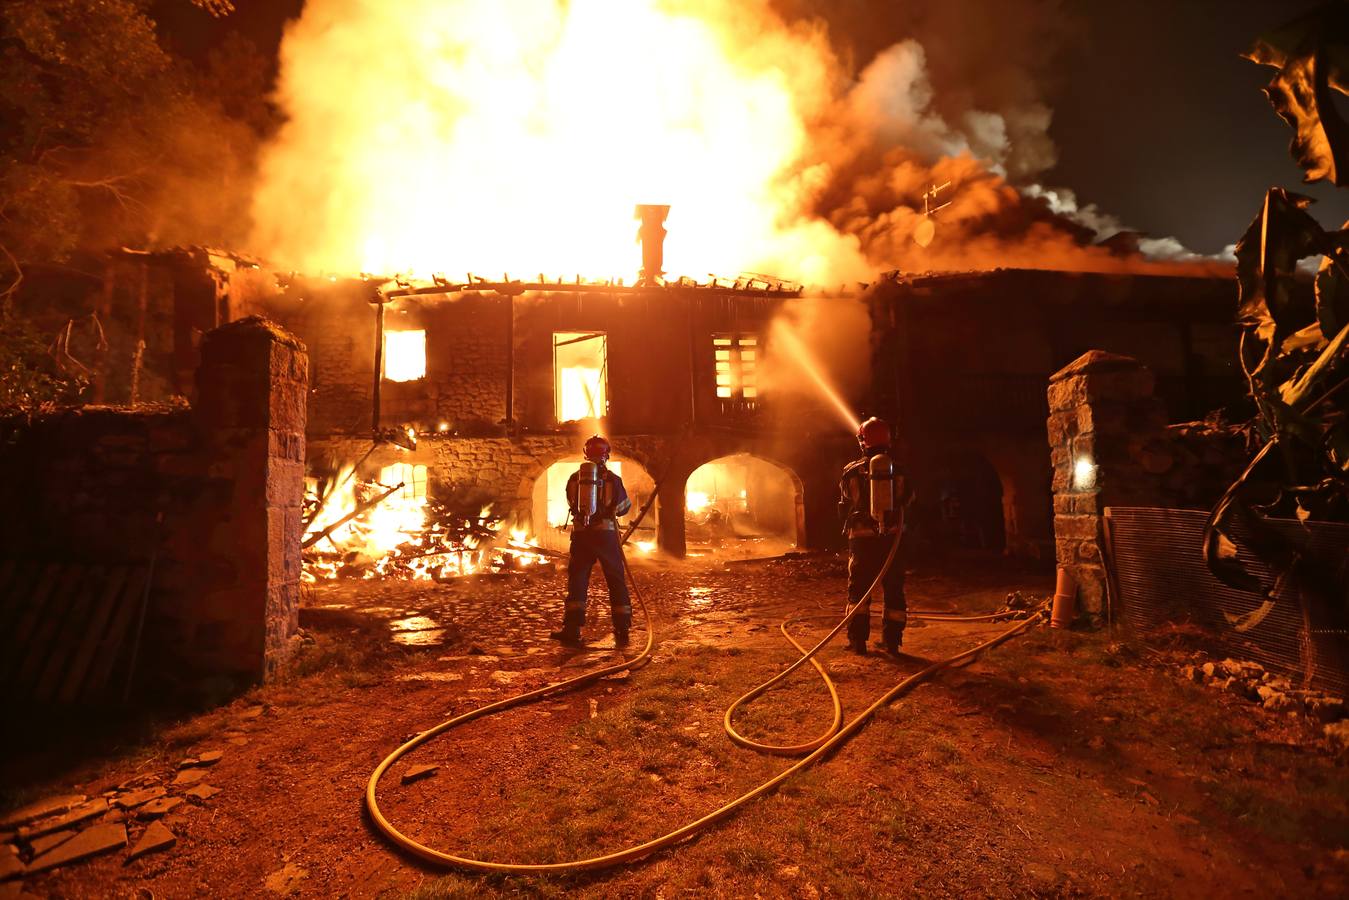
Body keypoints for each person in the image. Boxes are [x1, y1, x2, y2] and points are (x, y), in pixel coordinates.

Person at [550, 435, 634, 649]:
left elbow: (571, 503)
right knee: (615, 579)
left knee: (577, 580)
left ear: (585, 454)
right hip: (606, 536)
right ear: (607, 455)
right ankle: (622, 627)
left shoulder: (574, 478)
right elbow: (623, 507)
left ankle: (572, 629)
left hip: (581, 536)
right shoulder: (613, 479)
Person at [839, 417, 913, 655]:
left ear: (863, 441)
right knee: (894, 589)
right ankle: (892, 642)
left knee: (859, 590)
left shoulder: (851, 471)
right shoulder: (900, 470)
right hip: (893, 541)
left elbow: (845, 501)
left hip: (862, 541)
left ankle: (858, 642)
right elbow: (909, 500)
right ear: (888, 440)